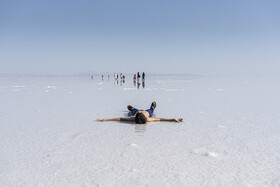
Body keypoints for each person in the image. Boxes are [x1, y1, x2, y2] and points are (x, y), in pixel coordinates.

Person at [97, 102, 183, 124]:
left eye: (140, 112)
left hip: (143, 112)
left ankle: (152, 106)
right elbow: (160, 119)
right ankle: (152, 106)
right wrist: (173, 120)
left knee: (131, 108)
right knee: (151, 109)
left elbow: (120, 119)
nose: (140, 111)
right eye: (140, 112)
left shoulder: (134, 118)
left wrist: (105, 120)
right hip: (146, 112)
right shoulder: (147, 118)